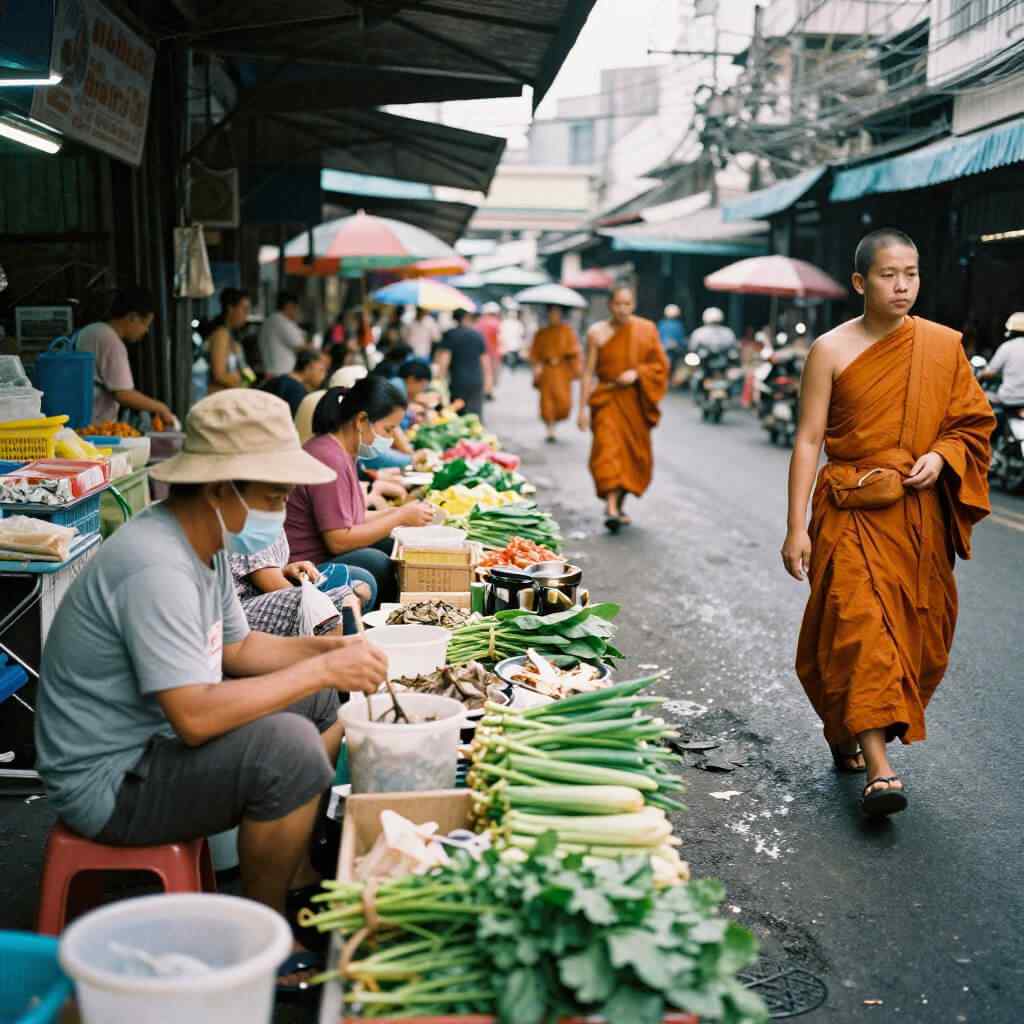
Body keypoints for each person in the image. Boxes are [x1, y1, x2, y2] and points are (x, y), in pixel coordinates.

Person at [34, 389, 388, 987]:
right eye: (273, 497)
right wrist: (322, 668)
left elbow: (240, 650)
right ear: (222, 489)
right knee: (289, 751)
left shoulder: (204, 543)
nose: (281, 510)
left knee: (317, 702)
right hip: (108, 780)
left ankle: (293, 874)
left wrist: (331, 652)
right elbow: (194, 717)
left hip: (153, 742)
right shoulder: (156, 565)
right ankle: (260, 939)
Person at [781, 228, 994, 818]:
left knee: (916, 637)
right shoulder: (830, 349)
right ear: (860, 282)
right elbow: (808, 440)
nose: (902, 286)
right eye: (888, 275)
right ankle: (880, 768)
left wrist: (943, 456)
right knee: (860, 629)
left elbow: (971, 423)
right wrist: (795, 526)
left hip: (915, 515)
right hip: (850, 510)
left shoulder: (941, 347)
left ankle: (850, 727)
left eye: (911, 274)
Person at [285, 379, 434, 606]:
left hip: (323, 556)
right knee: (376, 562)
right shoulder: (329, 457)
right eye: (388, 429)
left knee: (393, 542)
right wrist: (400, 516)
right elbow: (338, 540)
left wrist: (402, 514)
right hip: (305, 568)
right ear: (361, 420)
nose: (390, 438)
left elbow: (354, 519)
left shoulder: (343, 452)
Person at [578, 286, 669, 532]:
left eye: (627, 304)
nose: (622, 309)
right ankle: (611, 507)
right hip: (606, 398)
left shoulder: (646, 329)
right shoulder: (596, 333)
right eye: (618, 304)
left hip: (634, 401)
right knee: (607, 451)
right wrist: (581, 409)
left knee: (631, 455)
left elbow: (660, 366)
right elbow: (587, 373)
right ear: (610, 305)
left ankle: (618, 505)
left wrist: (638, 373)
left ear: (633, 305)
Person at [230, 532, 373, 636]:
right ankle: (338, 661)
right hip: (238, 612)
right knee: (340, 602)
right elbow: (269, 581)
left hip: (261, 596)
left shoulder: (270, 514)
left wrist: (285, 570)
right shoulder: (249, 519)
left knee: (360, 588)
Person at [76, 285, 176, 426]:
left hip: (80, 421)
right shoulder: (110, 340)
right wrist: (161, 408)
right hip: (94, 427)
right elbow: (123, 394)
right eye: (145, 324)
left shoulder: (91, 330)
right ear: (132, 317)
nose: (146, 331)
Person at [529, 304, 582, 443]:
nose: (554, 316)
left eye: (557, 313)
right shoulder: (541, 333)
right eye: (551, 313)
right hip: (547, 370)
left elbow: (575, 352)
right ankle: (550, 429)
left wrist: (575, 369)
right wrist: (537, 366)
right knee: (547, 401)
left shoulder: (567, 332)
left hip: (562, 371)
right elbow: (534, 353)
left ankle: (555, 423)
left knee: (563, 402)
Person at [436, 309, 491, 418]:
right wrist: (488, 382)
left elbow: (445, 359)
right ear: (467, 317)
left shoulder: (450, 334)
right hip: (476, 380)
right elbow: (485, 361)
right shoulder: (477, 335)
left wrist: (439, 379)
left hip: (458, 381)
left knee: (457, 413)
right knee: (474, 415)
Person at [978, 312, 1024, 430]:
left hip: (1009, 399)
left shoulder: (1007, 347)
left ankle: (993, 437)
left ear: (1010, 330)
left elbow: (990, 372)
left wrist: (979, 377)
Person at [207, 287, 255, 395]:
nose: (246, 315)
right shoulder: (221, 335)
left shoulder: (233, 338)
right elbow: (219, 374)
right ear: (230, 308)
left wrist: (248, 383)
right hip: (219, 396)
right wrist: (242, 385)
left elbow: (248, 372)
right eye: (244, 309)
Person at [260, 350, 329, 416]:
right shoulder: (297, 391)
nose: (324, 375)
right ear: (310, 366)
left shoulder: (276, 380)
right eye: (321, 370)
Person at [258, 291, 308, 377]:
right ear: (289, 306)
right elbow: (300, 345)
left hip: (270, 372)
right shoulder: (282, 321)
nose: (297, 312)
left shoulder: (270, 320)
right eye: (296, 308)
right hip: (282, 374)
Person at [477, 301, 503, 398]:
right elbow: (500, 338)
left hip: (481, 352)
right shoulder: (496, 323)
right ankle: (489, 391)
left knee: (484, 372)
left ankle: (485, 390)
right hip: (493, 352)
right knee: (490, 372)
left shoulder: (479, 322)